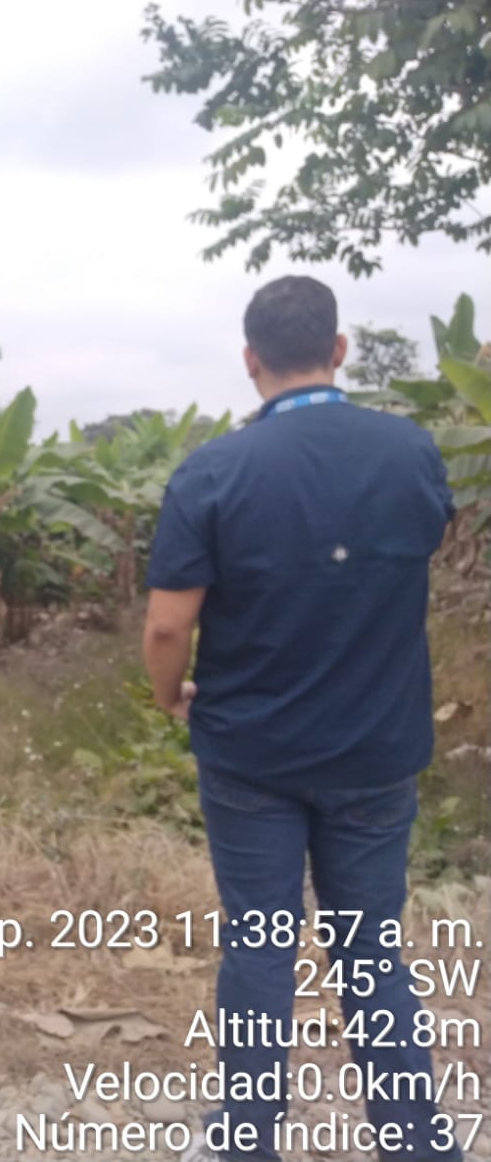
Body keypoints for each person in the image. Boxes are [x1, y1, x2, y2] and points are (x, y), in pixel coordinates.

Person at [144, 276, 462, 1162]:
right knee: (371, 954)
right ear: (340, 349)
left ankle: (247, 1141)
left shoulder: (213, 471)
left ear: (250, 360)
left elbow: (168, 625)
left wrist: (170, 696)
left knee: (259, 947)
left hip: (252, 756)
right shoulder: (411, 451)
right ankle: (415, 1143)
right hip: (377, 751)